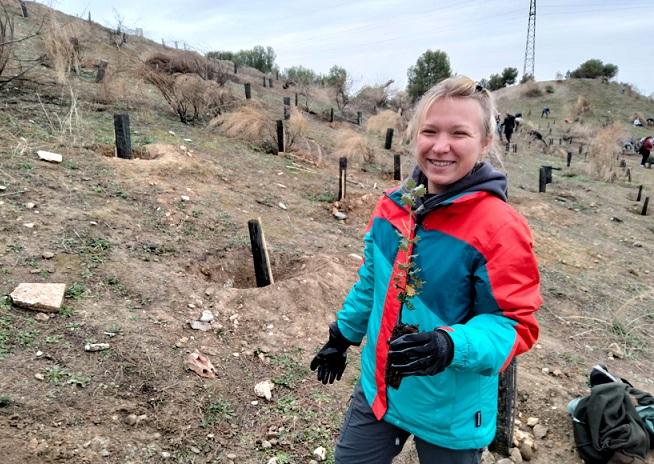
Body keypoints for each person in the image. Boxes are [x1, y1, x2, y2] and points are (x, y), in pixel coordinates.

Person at [310, 76, 541, 464]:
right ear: (415, 135)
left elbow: (515, 323)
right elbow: (372, 284)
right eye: (429, 131)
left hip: (451, 412)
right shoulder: (393, 208)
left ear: (485, 142)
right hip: (381, 387)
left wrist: (450, 345)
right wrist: (341, 336)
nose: (440, 146)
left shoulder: (500, 228)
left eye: (459, 133)